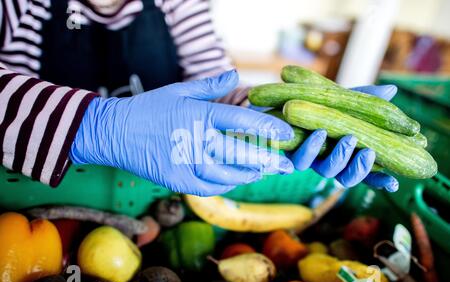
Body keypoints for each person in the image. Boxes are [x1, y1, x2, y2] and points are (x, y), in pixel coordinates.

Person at [0, 0, 398, 197]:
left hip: (154, 195)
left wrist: (271, 117)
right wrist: (96, 126)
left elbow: (218, 91)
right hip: (33, 191)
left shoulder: (178, 3)